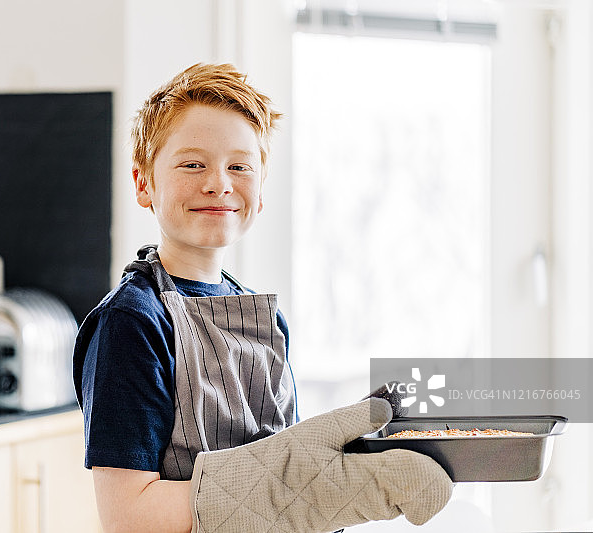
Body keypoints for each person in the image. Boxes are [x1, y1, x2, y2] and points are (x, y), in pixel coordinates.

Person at [73, 63, 453, 533]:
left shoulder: (263, 317)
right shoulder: (132, 322)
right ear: (143, 184)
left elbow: (285, 462)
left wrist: (339, 467)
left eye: (239, 166)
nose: (219, 183)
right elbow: (129, 517)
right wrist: (307, 493)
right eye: (193, 164)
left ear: (262, 188)